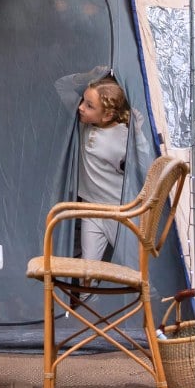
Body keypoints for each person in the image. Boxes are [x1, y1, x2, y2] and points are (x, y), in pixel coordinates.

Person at [76, 74, 130, 262]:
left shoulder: (123, 137)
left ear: (107, 115)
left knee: (133, 265)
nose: (81, 107)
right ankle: (85, 293)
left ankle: (156, 293)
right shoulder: (85, 125)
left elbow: (140, 166)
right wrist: (97, 73)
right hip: (90, 207)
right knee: (87, 270)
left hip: (118, 211)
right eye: (83, 101)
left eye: (89, 105)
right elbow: (62, 85)